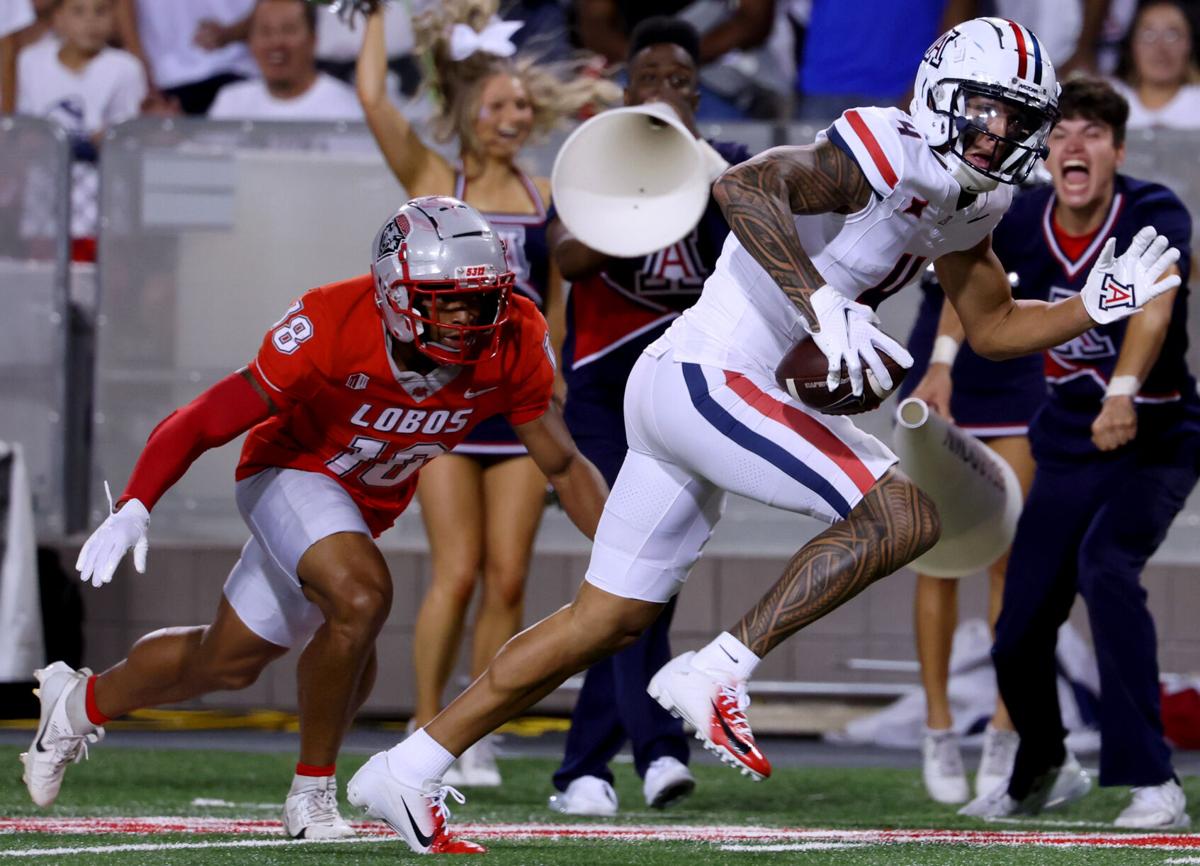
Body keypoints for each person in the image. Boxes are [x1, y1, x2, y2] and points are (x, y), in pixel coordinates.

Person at [345, 19, 1182, 855]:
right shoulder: (884, 147)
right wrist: (823, 305)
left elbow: (992, 324)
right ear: (939, 94)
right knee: (903, 516)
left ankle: (409, 765)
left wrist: (1092, 304)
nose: (1000, 133)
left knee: (603, 619)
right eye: (987, 110)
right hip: (708, 374)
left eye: (1017, 118)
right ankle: (717, 669)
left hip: (699, 388)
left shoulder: (977, 194)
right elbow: (742, 190)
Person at [20, 197, 608, 852]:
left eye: (483, 299)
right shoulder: (333, 321)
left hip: (361, 505)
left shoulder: (513, 336)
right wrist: (136, 503)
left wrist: (624, 556)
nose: (471, 317)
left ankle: (74, 705)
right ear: (394, 292)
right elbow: (208, 416)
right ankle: (312, 794)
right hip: (287, 470)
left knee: (226, 661)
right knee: (360, 598)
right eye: (448, 300)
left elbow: (562, 462)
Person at [356, 0, 617, 786]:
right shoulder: (440, 178)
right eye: (499, 105)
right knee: (457, 571)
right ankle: (424, 721)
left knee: (508, 576)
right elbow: (373, 98)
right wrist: (372, 16)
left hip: (517, 404)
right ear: (469, 111)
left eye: (522, 106)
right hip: (441, 403)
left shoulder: (546, 195)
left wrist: (561, 370)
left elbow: (559, 300)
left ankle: (470, 730)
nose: (514, 116)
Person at [958, 77, 1196, 830]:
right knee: (1021, 618)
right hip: (1064, 437)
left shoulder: (1152, 209)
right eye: (1062, 133)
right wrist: (937, 357)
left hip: (1154, 435)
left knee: (1105, 568)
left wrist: (1123, 390)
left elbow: (1154, 301)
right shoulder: (1023, 218)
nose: (1074, 144)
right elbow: (972, 294)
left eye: (1093, 132)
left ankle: (1153, 780)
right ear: (1045, 152)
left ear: (1116, 151)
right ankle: (1042, 767)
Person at [546, 15, 752, 817]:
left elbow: (757, 253)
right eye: (653, 82)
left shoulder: (725, 169)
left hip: (682, 393)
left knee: (644, 581)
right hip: (601, 391)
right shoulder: (599, 155)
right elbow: (565, 257)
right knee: (631, 570)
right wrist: (642, 184)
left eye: (681, 84)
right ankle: (658, 747)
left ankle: (584, 770)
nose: (666, 94)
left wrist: (699, 169)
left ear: (698, 96)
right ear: (625, 91)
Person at [899, 264, 1041, 805]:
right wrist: (941, 363)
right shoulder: (944, 185)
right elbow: (962, 275)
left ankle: (1007, 726)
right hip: (942, 367)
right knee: (938, 554)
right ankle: (939, 728)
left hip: (1017, 368)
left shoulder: (1036, 200)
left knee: (1009, 553)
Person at [16, 0, 147, 259]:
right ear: (58, 18)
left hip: (103, 209)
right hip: (44, 209)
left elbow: (127, 138)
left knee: (99, 286)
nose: (91, 22)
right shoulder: (30, 62)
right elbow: (24, 130)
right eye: (78, 11)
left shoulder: (126, 68)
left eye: (101, 11)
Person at [208, 0, 361, 121]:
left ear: (313, 39)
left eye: (288, 30)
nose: (276, 42)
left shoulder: (346, 108)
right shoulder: (230, 103)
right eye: (265, 31)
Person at [113, 0, 257, 115]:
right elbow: (123, 6)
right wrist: (144, 80)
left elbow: (272, 6)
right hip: (166, 83)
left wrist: (230, 34)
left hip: (242, 71)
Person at [1110, 0, 1200, 129]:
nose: (1160, 49)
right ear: (1132, 45)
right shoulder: (1107, 103)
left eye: (1172, 35)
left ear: (1189, 45)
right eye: (1149, 35)